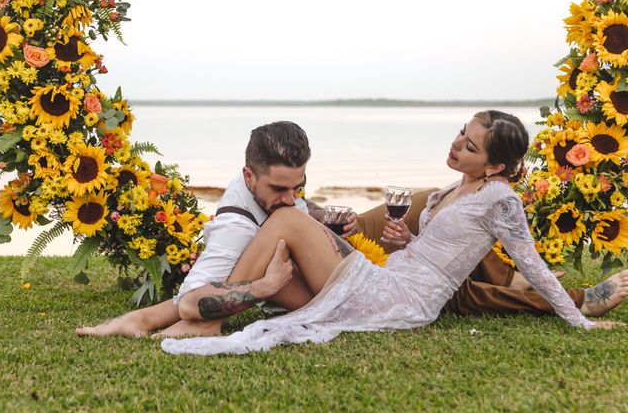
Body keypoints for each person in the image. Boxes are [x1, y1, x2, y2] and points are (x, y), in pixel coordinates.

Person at [161, 111, 626, 356]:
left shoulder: (501, 200)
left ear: (497, 165)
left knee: (285, 221)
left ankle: (210, 314)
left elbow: (534, 266)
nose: (456, 145)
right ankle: (210, 311)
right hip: (393, 273)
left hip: (407, 298)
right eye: (459, 133)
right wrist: (407, 241)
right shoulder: (456, 186)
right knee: (288, 237)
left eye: (469, 145)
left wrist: (579, 318)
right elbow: (436, 249)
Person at [76, 121, 355, 338]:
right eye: (280, 189)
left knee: (390, 217)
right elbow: (188, 304)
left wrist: (318, 218)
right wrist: (265, 285)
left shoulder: (266, 184)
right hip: (341, 295)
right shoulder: (236, 227)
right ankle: (151, 320)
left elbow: (297, 203)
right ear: (249, 175)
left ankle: (138, 319)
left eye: (298, 186)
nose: (291, 198)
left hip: (347, 269)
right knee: (284, 222)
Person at [356, 192, 628, 318]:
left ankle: (510, 278)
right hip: (342, 252)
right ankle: (577, 302)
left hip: (349, 230)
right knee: (447, 288)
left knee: (451, 209)